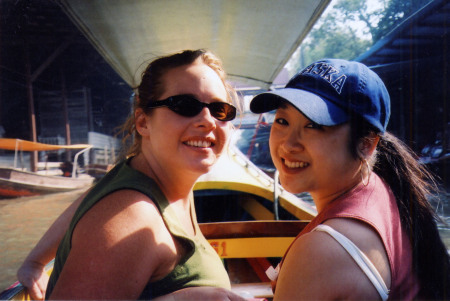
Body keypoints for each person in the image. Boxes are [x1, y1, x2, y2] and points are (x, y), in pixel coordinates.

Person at [17, 49, 246, 300]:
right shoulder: (132, 217)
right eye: (184, 105)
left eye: (220, 109)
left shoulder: (145, 177)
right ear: (143, 122)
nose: (208, 120)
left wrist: (36, 261)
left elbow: (85, 204)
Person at [250, 58, 450, 300]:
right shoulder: (382, 189)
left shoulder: (323, 249)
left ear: (366, 144)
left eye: (313, 125)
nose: (288, 144)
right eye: (282, 121)